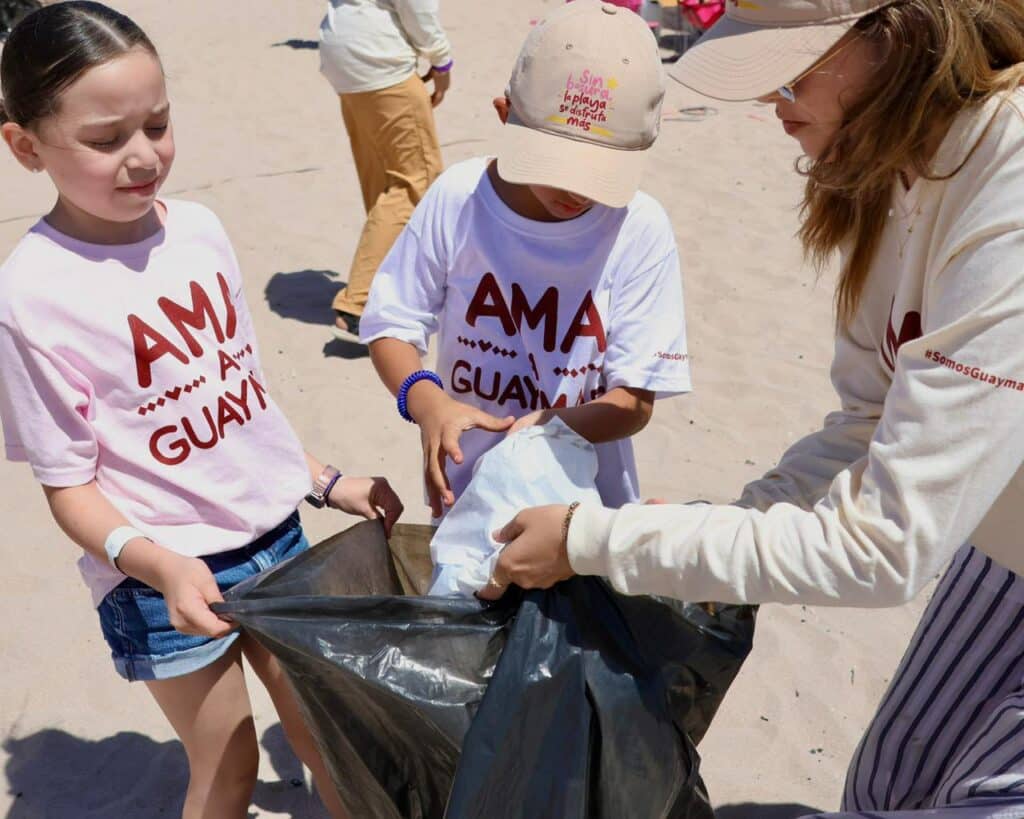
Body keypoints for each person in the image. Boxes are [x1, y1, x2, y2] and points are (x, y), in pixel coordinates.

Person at [481, 1, 1024, 816]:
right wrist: (720, 532)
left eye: (795, 68)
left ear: (898, 38)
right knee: (884, 790)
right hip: (1003, 545)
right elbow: (867, 423)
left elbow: (884, 548)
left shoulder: (1004, 175)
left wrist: (599, 540)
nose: (773, 98)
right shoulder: (896, 169)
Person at [0, 4, 404, 817]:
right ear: (25, 146)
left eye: (157, 123)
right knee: (227, 763)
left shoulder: (201, 231)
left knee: (330, 734)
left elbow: (240, 395)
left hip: (280, 538)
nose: (143, 155)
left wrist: (323, 480)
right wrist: (158, 564)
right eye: (108, 138)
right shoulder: (32, 295)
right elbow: (68, 488)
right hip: (162, 576)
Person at [359, 0, 693, 524]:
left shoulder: (638, 228)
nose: (576, 191)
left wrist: (542, 429)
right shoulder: (459, 198)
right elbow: (391, 325)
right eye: (555, 166)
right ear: (504, 115)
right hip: (467, 498)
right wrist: (427, 404)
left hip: (584, 512)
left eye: (598, 173)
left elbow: (634, 401)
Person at [318, 0, 452, 344]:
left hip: (346, 55)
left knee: (382, 182)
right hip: (379, 59)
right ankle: (358, 305)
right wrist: (441, 58)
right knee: (413, 185)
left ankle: (387, 289)